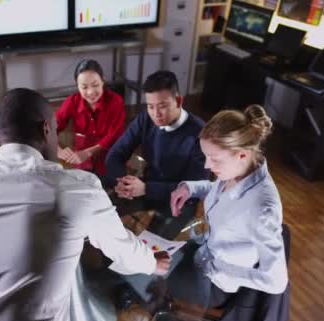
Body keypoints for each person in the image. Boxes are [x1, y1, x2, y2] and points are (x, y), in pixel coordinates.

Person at [0, 88, 170, 321]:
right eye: (56, 131)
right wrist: (152, 262)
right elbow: (123, 251)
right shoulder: (78, 186)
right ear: (46, 130)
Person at [170, 104, 289, 306]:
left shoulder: (261, 209)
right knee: (157, 259)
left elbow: (276, 282)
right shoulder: (239, 170)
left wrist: (217, 268)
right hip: (202, 247)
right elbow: (220, 193)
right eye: (206, 156)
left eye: (214, 159)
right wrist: (190, 188)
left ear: (241, 154)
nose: (207, 165)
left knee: (153, 281)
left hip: (215, 283)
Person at [105, 70, 208, 213]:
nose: (156, 114)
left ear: (179, 101)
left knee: (148, 235)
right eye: (150, 106)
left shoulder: (201, 133)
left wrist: (147, 189)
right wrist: (122, 181)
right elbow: (116, 153)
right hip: (145, 188)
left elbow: (197, 187)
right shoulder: (145, 119)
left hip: (181, 201)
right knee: (102, 212)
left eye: (162, 106)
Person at [56, 59, 126, 176]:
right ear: (77, 86)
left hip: (110, 155)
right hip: (81, 160)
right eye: (84, 87)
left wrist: (88, 152)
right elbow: (50, 127)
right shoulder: (72, 102)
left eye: (95, 85)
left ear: (103, 81)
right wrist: (58, 150)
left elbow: (114, 136)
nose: (90, 92)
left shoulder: (116, 101)